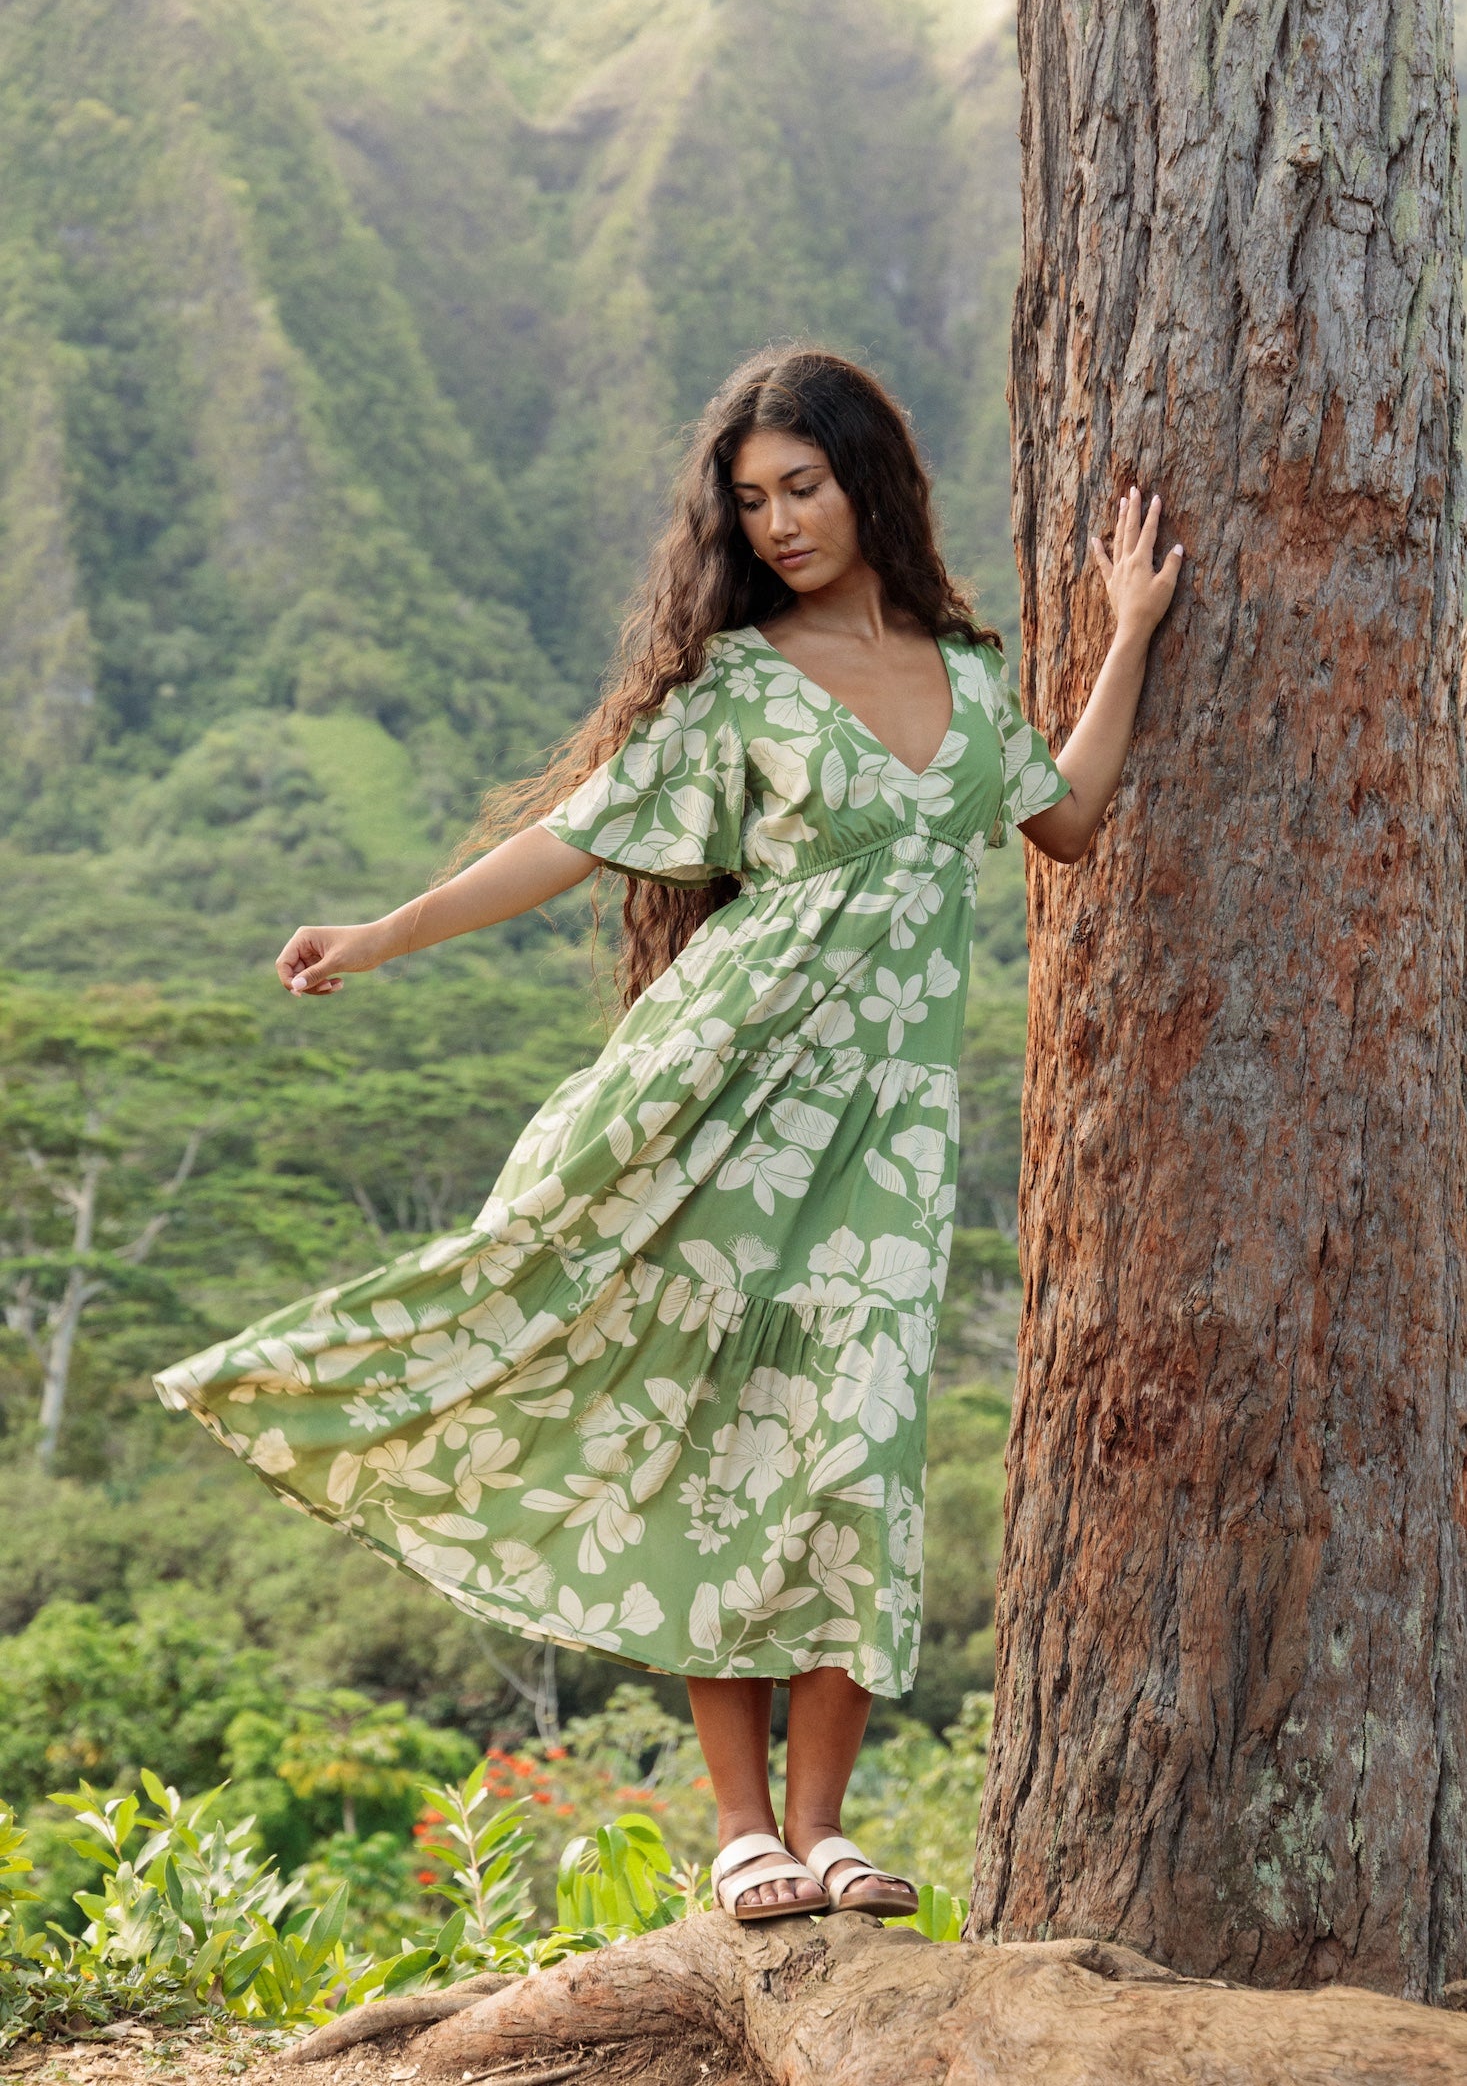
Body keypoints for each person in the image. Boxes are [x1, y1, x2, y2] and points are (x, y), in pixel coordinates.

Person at [155, 347, 1182, 1922]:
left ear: (868, 482)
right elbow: (567, 841)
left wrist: (1126, 639)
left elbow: (1073, 816)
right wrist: (379, 931)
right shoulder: (738, 688)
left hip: (891, 1137)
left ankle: (829, 1827)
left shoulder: (975, 679)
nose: (777, 524)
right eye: (751, 501)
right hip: (715, 1103)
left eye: (803, 488)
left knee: (858, 1448)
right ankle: (742, 1829)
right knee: (721, 1441)